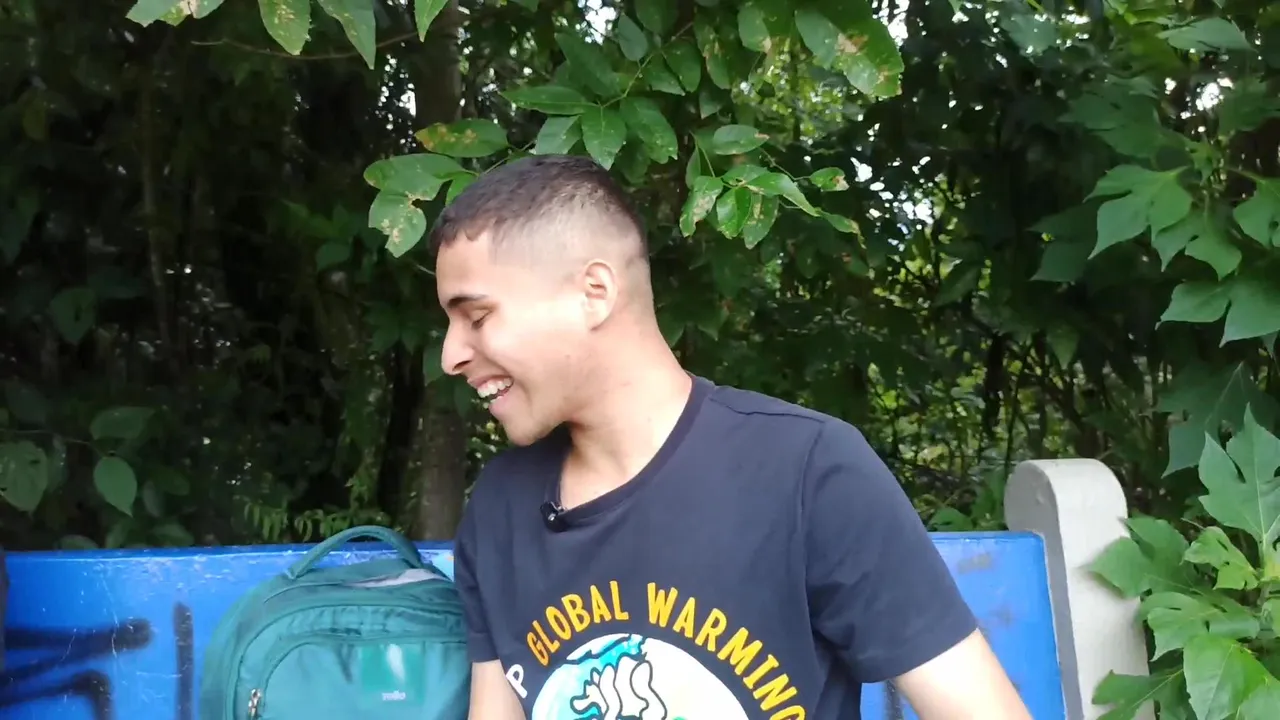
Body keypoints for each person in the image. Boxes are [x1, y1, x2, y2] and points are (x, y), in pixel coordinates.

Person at [432, 154, 1030, 720]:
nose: (451, 355)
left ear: (595, 293)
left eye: (477, 317)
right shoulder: (501, 506)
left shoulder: (806, 472)